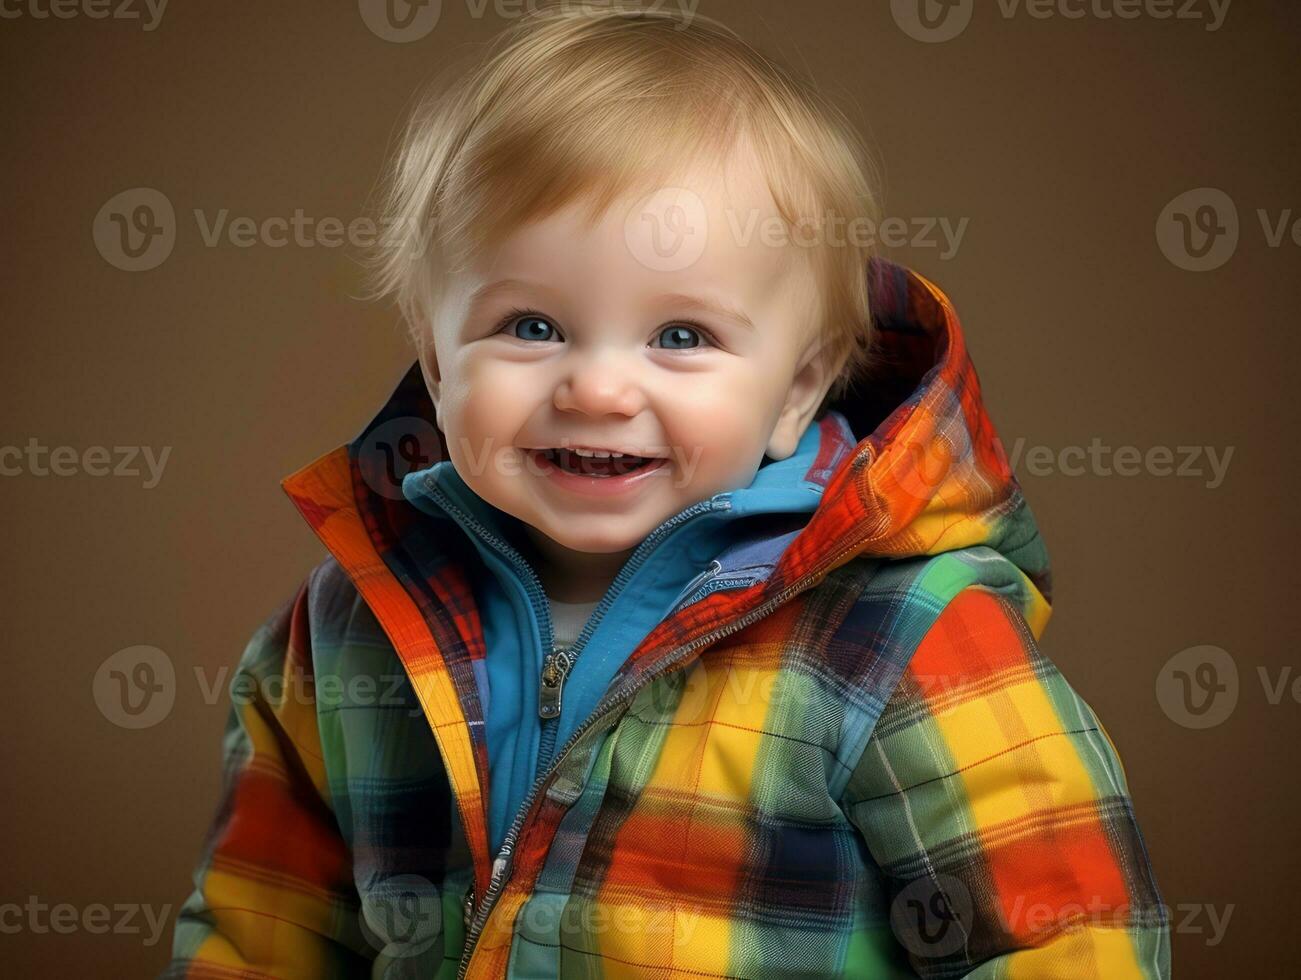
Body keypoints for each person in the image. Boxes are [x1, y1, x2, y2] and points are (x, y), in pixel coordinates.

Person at [161, 4, 1169, 977]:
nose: (597, 388)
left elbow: (1069, 938)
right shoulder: (345, 628)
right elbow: (262, 930)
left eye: (680, 336)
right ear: (435, 358)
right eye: (530, 325)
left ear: (797, 388)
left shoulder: (898, 636)